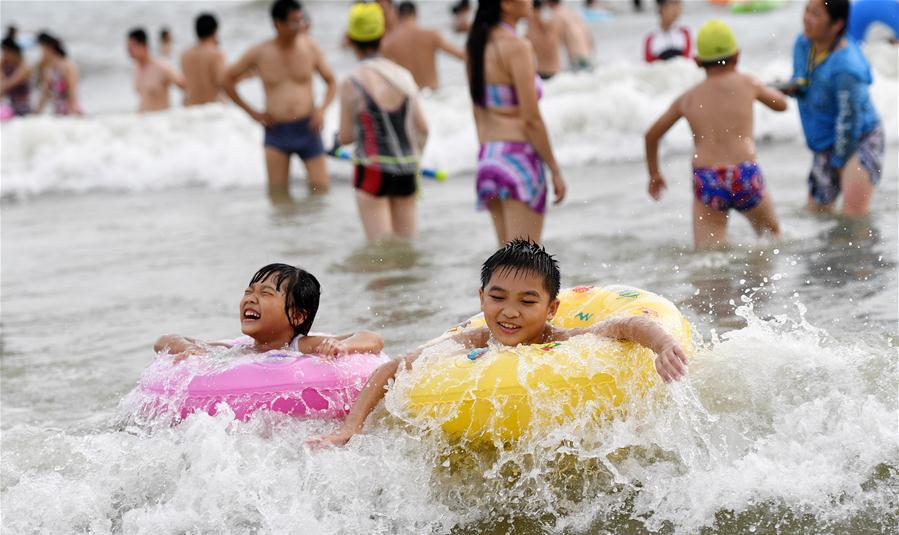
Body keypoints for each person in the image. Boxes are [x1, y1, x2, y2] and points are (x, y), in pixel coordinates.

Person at [307, 239, 689, 448]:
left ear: (553, 308)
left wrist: (664, 345)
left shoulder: (562, 339)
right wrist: (350, 427)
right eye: (498, 297)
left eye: (527, 301)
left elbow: (626, 324)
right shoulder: (476, 339)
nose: (509, 312)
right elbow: (392, 368)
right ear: (481, 297)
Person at [644, 20, 786, 250]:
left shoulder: (687, 98)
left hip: (708, 178)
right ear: (737, 56)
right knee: (772, 237)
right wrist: (772, 89)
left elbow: (651, 135)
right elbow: (781, 106)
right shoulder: (748, 83)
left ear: (698, 62)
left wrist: (654, 174)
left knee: (709, 254)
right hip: (744, 173)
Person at [467, 0, 566, 245]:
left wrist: (487, 154)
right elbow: (531, 119)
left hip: (489, 158)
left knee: (505, 261)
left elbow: (478, 112)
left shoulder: (476, 45)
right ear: (507, 4)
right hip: (519, 159)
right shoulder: (517, 46)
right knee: (525, 263)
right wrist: (554, 168)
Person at [224, 0, 337, 198]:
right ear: (277, 24)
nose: (300, 26)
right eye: (294, 22)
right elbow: (227, 80)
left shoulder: (310, 46)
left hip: (308, 128)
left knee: (321, 193)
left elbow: (332, 81)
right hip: (276, 131)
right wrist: (253, 113)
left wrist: (321, 110)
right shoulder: (260, 52)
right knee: (278, 197)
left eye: (302, 21)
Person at [338, 2, 429, 242]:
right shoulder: (403, 76)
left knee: (379, 251)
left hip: (373, 169)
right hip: (407, 169)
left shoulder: (351, 81)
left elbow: (347, 136)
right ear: (382, 34)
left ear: (350, 38)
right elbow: (423, 127)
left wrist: (336, 140)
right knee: (406, 247)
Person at [154, 263, 384, 358]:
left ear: (297, 315)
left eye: (265, 294)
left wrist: (342, 345)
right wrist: (189, 349)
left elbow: (372, 338)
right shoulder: (240, 349)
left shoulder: (300, 346)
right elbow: (164, 341)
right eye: (248, 292)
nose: (251, 299)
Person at [785, 0, 884, 217]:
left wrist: (839, 162)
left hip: (860, 139)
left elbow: (849, 120)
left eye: (816, 14)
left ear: (837, 25)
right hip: (825, 142)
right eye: (807, 10)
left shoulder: (847, 67)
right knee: (816, 214)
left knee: (853, 220)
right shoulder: (803, 44)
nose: (807, 18)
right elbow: (802, 79)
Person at [381, 1, 466, 90]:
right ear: (416, 13)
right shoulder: (431, 35)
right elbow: (462, 55)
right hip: (434, 95)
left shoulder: (389, 43)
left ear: (398, 16)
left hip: (410, 96)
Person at [127, 28, 185, 112]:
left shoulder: (161, 67)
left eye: (131, 46)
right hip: (142, 122)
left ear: (143, 45)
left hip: (160, 121)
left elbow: (186, 86)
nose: (129, 50)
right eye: (128, 46)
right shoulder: (136, 69)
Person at [181, 13, 226, 106]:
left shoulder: (185, 55)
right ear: (215, 31)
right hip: (212, 108)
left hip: (191, 108)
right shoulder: (216, 54)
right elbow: (223, 82)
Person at [35, 34, 81, 115]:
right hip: (57, 113)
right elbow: (45, 94)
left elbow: (72, 92)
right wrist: (36, 114)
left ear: (49, 48)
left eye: (42, 50)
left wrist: (73, 113)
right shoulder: (50, 69)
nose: (41, 55)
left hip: (69, 110)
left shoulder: (68, 66)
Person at [547, 0, 594, 71]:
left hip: (576, 55)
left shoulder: (556, 15)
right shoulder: (570, 12)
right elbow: (586, 30)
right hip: (587, 52)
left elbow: (554, 40)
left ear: (548, 2)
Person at [527, 0, 562, 80]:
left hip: (552, 73)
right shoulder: (530, 27)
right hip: (540, 72)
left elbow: (548, 47)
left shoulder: (549, 25)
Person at [1, 36, 32, 116]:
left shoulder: (24, 68)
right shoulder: (7, 65)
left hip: (21, 107)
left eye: (6, 53)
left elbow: (6, 85)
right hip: (10, 105)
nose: (4, 56)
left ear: (13, 52)